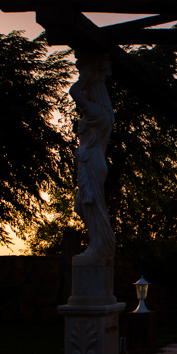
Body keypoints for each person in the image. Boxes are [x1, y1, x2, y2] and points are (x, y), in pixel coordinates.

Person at [70, 53, 115, 258]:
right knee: (82, 206)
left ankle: (99, 246)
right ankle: (97, 243)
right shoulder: (98, 112)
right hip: (88, 160)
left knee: (91, 204)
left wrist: (84, 79)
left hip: (93, 161)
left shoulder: (98, 112)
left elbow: (74, 91)